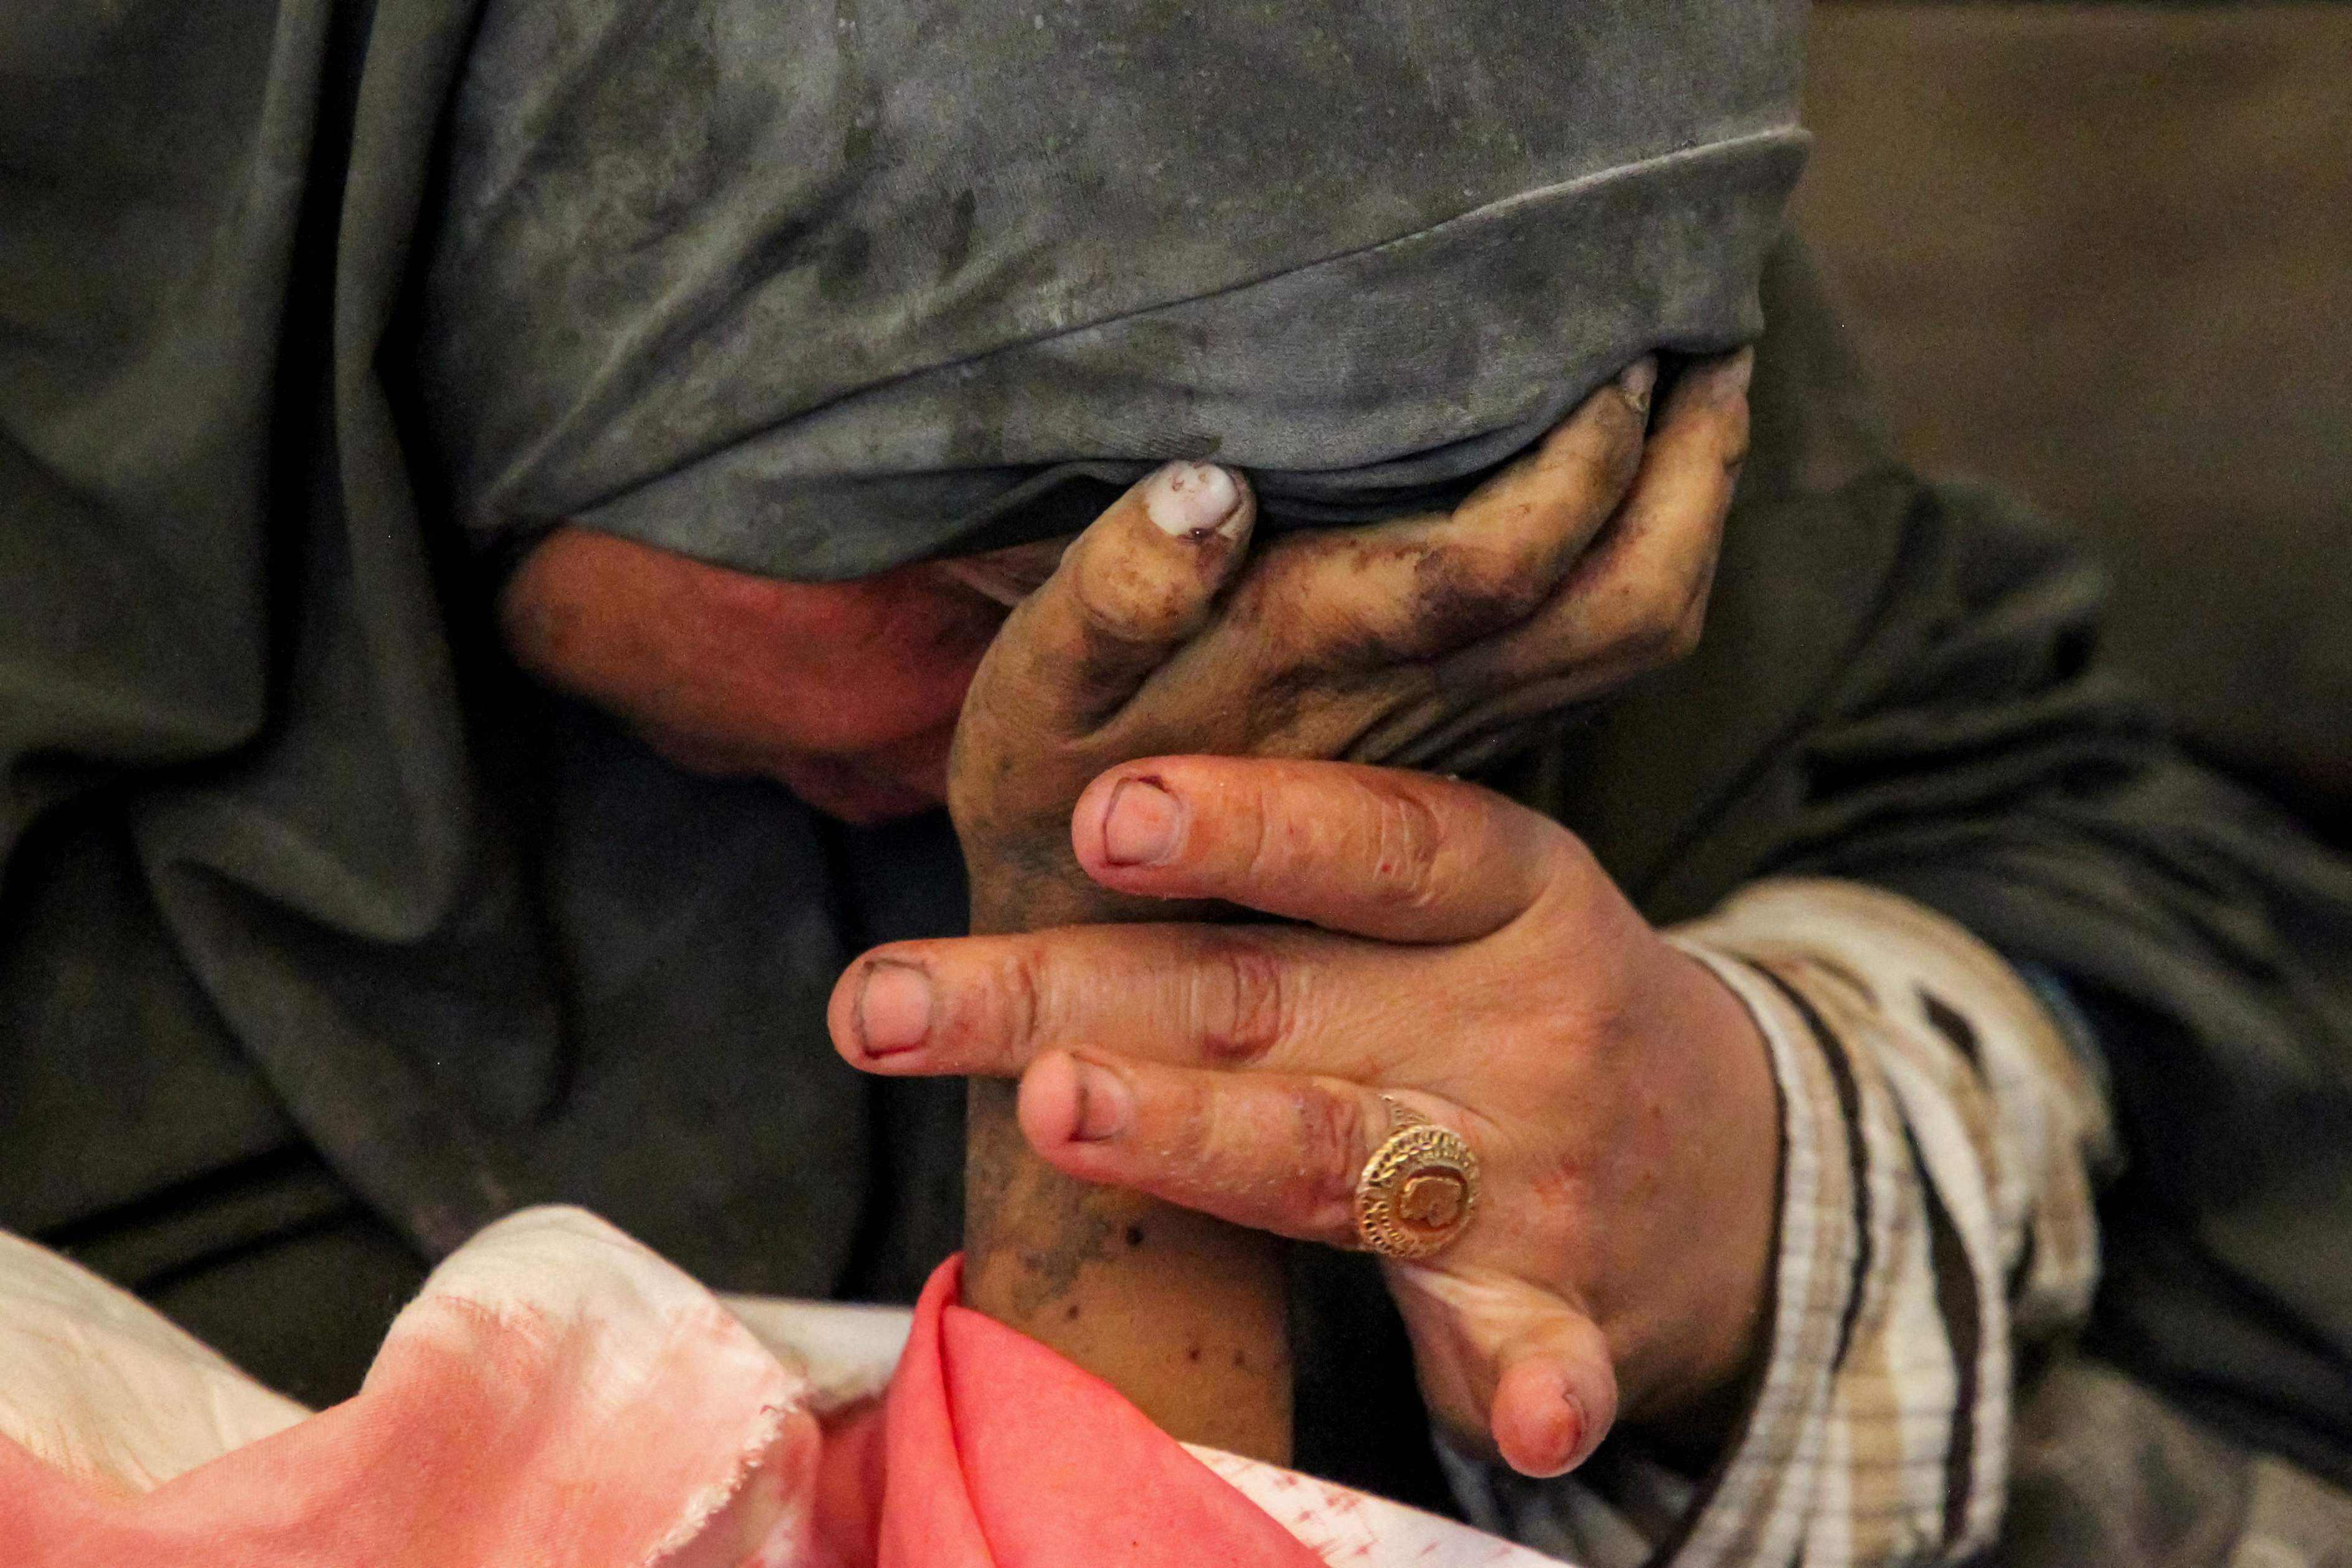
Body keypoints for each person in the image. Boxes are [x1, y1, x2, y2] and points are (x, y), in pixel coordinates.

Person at [4, 1, 2350, 1563]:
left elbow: (2129, 914)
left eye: (1416, 628)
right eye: (990, 588)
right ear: (450, 273)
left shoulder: (1466, 173)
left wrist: (1750, 1159)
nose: (1159, 753)